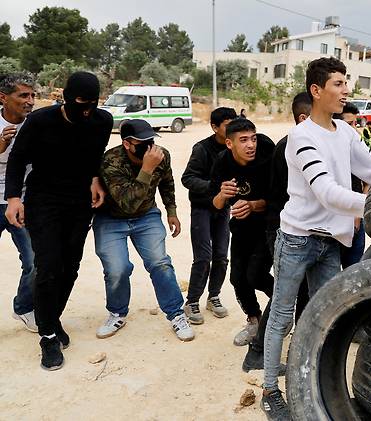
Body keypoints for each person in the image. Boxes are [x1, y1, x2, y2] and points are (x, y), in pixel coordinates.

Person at [261, 57, 371, 420]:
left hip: (329, 243)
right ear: (316, 90)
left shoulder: (346, 131)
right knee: (282, 316)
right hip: (297, 239)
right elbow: (327, 193)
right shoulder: (302, 137)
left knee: (326, 317)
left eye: (346, 82)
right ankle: (271, 390)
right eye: (338, 83)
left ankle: (313, 380)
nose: (346, 90)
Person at [5, 71, 112, 371]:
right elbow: (17, 160)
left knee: (70, 266)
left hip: (79, 203)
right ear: (66, 96)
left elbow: (95, 156)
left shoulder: (101, 122)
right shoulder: (40, 121)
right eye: (81, 102)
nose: (87, 110)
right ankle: (48, 336)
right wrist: (14, 198)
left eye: (93, 103)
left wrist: (95, 179)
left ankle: (50, 317)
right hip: (43, 202)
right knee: (49, 266)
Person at [93, 119, 194, 342]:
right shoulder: (112, 160)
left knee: (160, 263)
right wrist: (147, 168)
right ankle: (117, 313)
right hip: (112, 219)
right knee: (117, 269)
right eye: (142, 142)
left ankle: (176, 314)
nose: (149, 146)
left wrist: (172, 210)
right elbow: (127, 203)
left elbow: (167, 183)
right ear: (127, 144)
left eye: (151, 140)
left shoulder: (161, 155)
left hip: (146, 215)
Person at [241, 92, 312, 374]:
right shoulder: (293, 146)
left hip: (292, 227)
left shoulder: (303, 142)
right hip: (285, 228)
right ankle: (257, 353)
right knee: (287, 290)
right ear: (304, 117)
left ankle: (300, 348)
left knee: (301, 289)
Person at [209, 119, 276, 347]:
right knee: (238, 278)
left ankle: (282, 308)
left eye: (253, 138)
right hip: (241, 227)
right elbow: (216, 205)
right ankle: (254, 321)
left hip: (269, 226)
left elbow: (281, 198)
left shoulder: (268, 153)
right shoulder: (222, 162)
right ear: (229, 143)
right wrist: (222, 194)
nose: (251, 145)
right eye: (244, 140)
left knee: (256, 275)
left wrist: (254, 204)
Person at [181, 107, 237, 324]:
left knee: (222, 256)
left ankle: (213, 296)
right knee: (203, 257)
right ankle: (192, 301)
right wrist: (214, 187)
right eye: (227, 125)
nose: (232, 129)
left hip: (223, 210)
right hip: (202, 208)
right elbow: (188, 178)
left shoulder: (234, 149)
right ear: (215, 127)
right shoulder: (202, 149)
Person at [0, 72, 37, 332]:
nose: (30, 101)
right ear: (3, 98)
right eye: (23, 95)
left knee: (35, 260)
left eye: (32, 95)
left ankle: (24, 308)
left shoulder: (36, 124)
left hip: (23, 201)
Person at [333, 102, 367, 268]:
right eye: (349, 124)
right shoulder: (327, 151)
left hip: (356, 223)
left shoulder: (358, 147)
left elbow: (368, 180)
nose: (354, 128)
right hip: (333, 223)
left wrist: (357, 213)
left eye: (355, 124)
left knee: (353, 272)